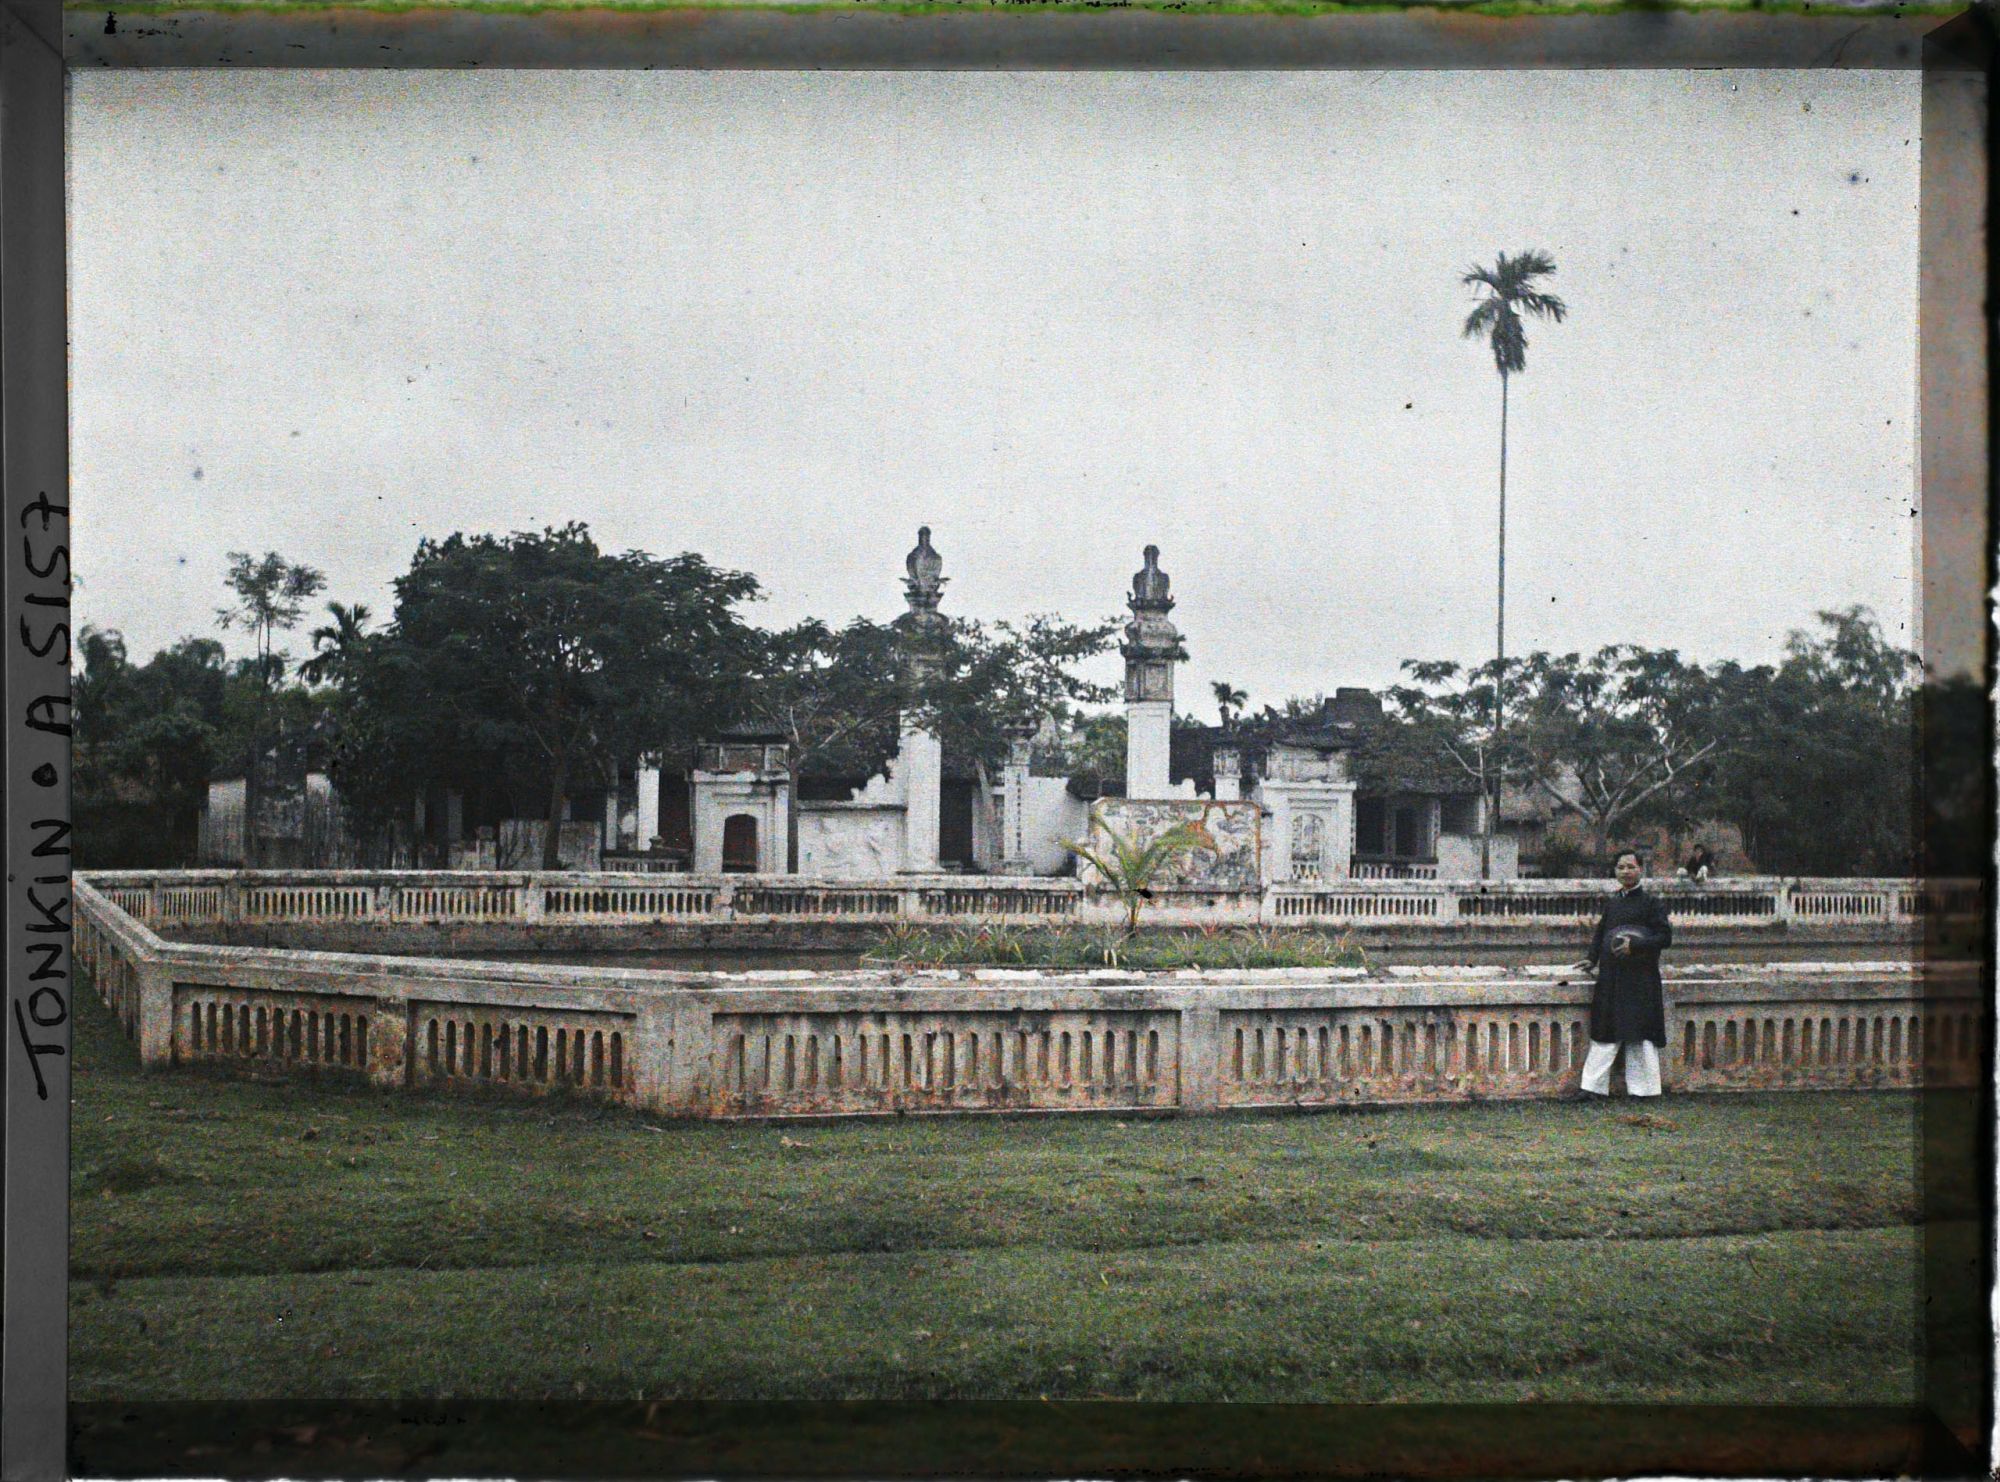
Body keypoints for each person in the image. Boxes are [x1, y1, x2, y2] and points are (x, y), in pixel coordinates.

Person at [1571, 848, 1672, 1098]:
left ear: (1640, 869)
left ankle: (1644, 1091)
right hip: (1612, 976)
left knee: (1641, 1035)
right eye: (1621, 867)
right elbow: (1601, 934)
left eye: (1630, 866)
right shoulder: (1613, 903)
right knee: (1605, 1032)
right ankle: (1592, 1088)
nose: (1625, 871)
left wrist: (1635, 945)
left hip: (1641, 978)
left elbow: (1664, 937)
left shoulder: (1652, 904)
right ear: (1615, 872)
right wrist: (1590, 958)